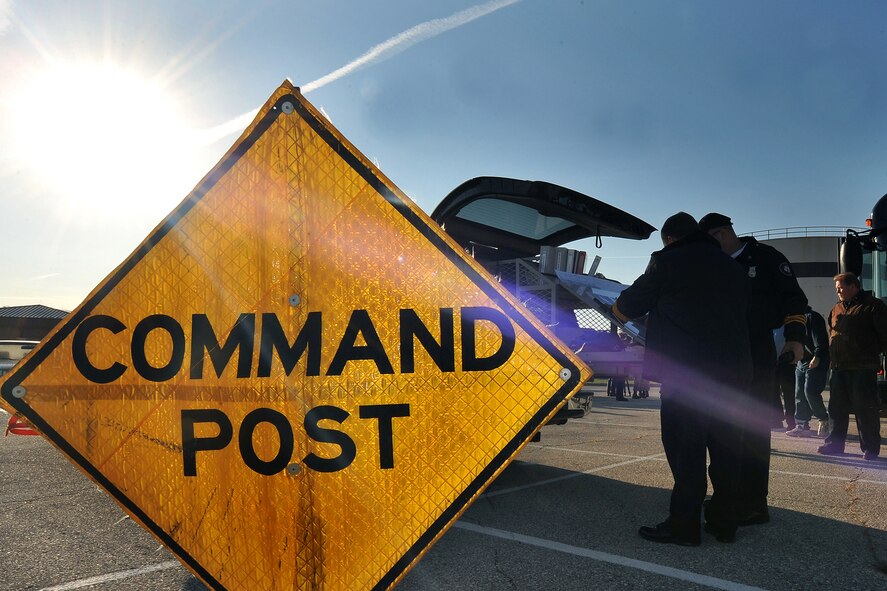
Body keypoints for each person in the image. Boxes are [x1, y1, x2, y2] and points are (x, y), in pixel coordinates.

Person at [613, 212, 752, 546]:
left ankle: (684, 526)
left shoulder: (667, 261)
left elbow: (629, 305)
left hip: (687, 374)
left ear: (671, 239)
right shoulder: (733, 267)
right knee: (728, 452)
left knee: (686, 453)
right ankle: (724, 522)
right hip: (734, 373)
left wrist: (616, 310)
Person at [699, 213, 807, 526]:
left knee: (753, 428)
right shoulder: (712, 264)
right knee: (725, 428)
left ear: (720, 235)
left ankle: (754, 502)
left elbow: (794, 300)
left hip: (757, 350)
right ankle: (730, 495)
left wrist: (795, 339)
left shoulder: (766, 258)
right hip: (721, 353)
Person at [818, 272, 887, 460]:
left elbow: (884, 335)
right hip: (839, 368)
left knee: (865, 409)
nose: (838, 291)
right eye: (836, 288)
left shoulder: (873, 306)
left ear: (854, 286)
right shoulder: (836, 309)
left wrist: (868, 351)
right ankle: (834, 444)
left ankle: (871, 448)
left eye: (841, 287)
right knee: (836, 408)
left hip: (862, 368)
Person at [786, 306, 830, 437]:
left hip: (816, 359)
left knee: (810, 391)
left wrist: (817, 356)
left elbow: (821, 341)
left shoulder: (812, 317)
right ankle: (801, 425)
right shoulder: (794, 319)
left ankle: (824, 419)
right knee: (799, 392)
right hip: (802, 360)